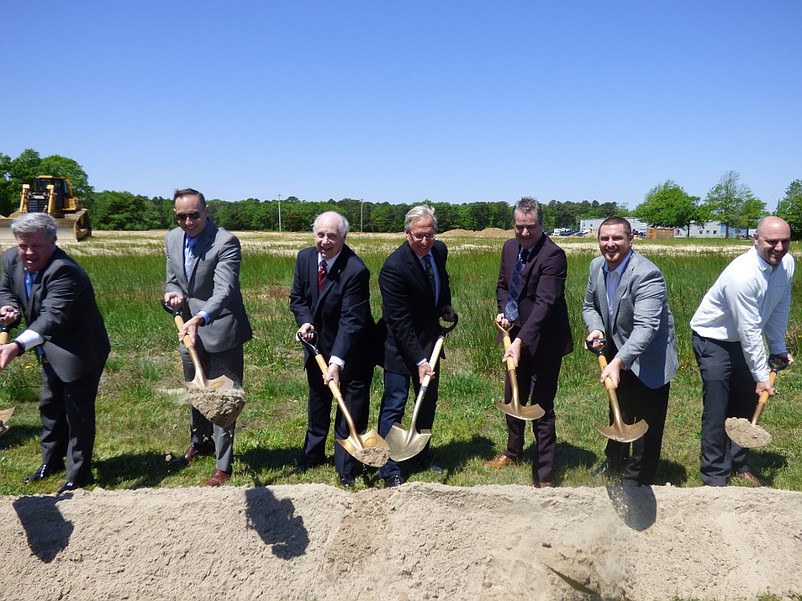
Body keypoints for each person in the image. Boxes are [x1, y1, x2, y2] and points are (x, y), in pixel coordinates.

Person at [0, 213, 110, 494]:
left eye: (36, 246)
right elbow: (5, 290)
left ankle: (79, 474)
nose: (27, 252)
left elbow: (51, 317)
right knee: (50, 406)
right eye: (23, 245)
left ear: (53, 241)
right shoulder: (10, 258)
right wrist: (8, 307)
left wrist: (17, 345)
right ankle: (51, 462)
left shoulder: (64, 270)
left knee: (77, 413)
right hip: (46, 345)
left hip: (80, 349)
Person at [690, 215, 795, 487]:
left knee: (745, 403)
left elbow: (779, 307)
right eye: (772, 242)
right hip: (714, 339)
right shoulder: (742, 275)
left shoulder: (786, 264)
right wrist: (762, 375)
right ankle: (714, 475)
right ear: (755, 239)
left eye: (785, 241)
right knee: (717, 406)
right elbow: (749, 331)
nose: (779, 248)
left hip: (742, 341)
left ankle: (738, 462)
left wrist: (778, 348)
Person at [164, 188, 252, 487]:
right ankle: (200, 442)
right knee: (197, 389)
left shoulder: (225, 241)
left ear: (206, 210)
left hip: (220, 327)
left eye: (193, 215)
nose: (187, 222)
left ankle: (223, 464)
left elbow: (224, 290)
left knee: (223, 398)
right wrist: (172, 293)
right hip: (188, 331)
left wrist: (201, 317)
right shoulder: (172, 239)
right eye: (181, 216)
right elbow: (173, 278)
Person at [484, 197, 573, 488]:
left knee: (542, 407)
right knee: (514, 397)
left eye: (530, 227)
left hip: (544, 341)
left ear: (540, 225)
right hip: (515, 337)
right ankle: (513, 451)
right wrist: (503, 312)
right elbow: (502, 285)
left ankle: (544, 474)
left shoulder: (553, 256)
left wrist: (521, 340)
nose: (524, 233)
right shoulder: (510, 248)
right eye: (519, 227)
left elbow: (545, 304)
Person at [583, 216, 678, 486]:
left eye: (617, 238)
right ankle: (614, 461)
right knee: (619, 410)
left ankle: (639, 476)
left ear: (631, 239)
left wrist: (618, 361)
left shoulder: (647, 274)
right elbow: (590, 306)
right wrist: (596, 329)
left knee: (648, 421)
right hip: (617, 349)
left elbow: (646, 327)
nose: (610, 244)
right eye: (604, 238)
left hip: (650, 357)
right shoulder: (596, 267)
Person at [289, 211, 375, 488]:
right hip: (317, 347)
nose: (325, 241)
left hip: (353, 350)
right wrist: (305, 322)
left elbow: (353, 321)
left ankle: (346, 467)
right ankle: (311, 457)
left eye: (332, 236)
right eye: (320, 235)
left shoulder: (355, 270)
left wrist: (336, 363)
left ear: (344, 238)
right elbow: (298, 297)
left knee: (350, 405)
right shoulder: (304, 259)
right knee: (318, 402)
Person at [377, 205, 457, 487]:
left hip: (430, 341)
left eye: (430, 234)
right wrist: (419, 362)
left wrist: (445, 304)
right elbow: (398, 322)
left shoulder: (439, 250)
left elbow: (441, 279)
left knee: (427, 402)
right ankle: (388, 467)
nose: (425, 241)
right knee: (395, 403)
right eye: (419, 235)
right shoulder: (394, 268)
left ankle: (420, 453)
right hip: (399, 346)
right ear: (407, 233)